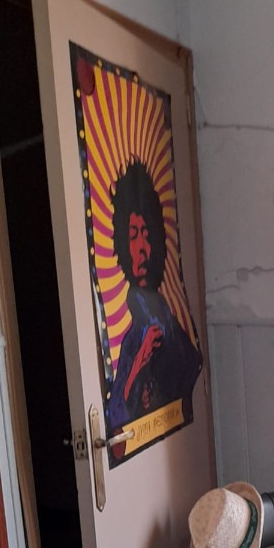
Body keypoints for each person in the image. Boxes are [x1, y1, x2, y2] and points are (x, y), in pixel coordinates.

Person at [107, 161, 202, 436]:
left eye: (147, 236)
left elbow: (192, 365)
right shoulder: (132, 329)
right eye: (133, 235)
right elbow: (116, 414)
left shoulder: (163, 314)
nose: (142, 248)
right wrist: (140, 362)